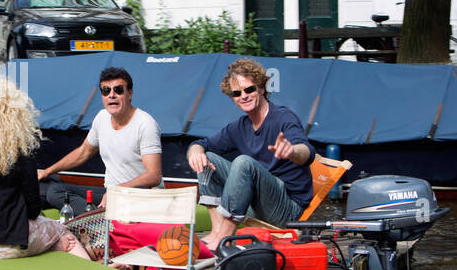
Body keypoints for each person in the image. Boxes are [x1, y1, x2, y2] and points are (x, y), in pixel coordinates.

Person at [0, 77, 91, 261]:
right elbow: (32, 210)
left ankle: (56, 249)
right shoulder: (18, 151)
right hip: (6, 246)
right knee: (63, 233)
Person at [189, 58, 314, 252]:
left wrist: (291, 151)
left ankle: (224, 237)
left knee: (243, 163)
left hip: (286, 209)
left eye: (249, 89)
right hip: (256, 203)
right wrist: (196, 152)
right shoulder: (239, 127)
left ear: (262, 88)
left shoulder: (283, 117)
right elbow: (201, 144)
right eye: (237, 93)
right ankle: (217, 232)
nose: (243, 96)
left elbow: (306, 152)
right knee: (207, 159)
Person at [36, 66, 162, 213]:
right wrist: (46, 172)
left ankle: (95, 221)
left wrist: (118, 191)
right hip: (109, 193)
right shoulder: (102, 118)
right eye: (106, 90)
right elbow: (83, 152)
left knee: (56, 194)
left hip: (141, 196)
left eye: (118, 90)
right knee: (54, 191)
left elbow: (154, 176)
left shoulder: (146, 124)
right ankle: (97, 218)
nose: (112, 95)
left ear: (130, 93)